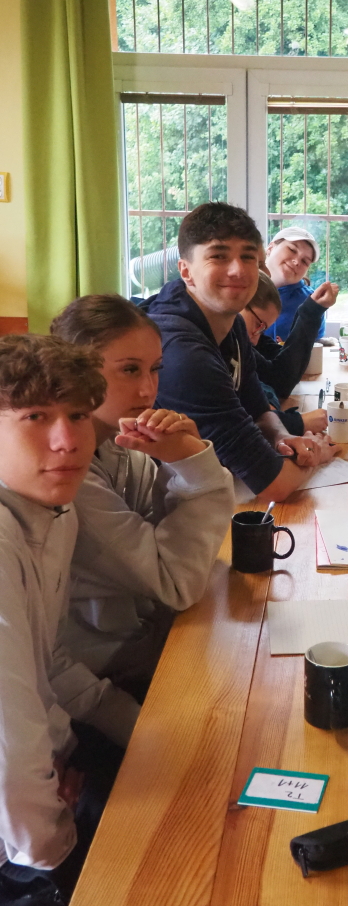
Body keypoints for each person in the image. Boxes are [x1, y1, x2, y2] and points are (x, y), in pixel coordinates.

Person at [0, 334, 141, 904]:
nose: (66, 440)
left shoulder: (55, 510)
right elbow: (8, 744)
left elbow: (49, 662)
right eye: (35, 417)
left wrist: (143, 731)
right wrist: (58, 852)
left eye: (78, 415)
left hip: (43, 776)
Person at [50, 295, 235, 692]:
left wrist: (180, 460)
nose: (148, 389)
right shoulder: (67, 478)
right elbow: (176, 583)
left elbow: (168, 542)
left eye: (155, 369)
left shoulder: (121, 445)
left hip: (146, 638)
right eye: (130, 370)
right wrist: (194, 466)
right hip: (104, 674)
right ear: (74, 373)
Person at [141, 202, 341, 503]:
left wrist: (283, 437)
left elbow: (258, 410)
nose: (237, 270)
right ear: (186, 271)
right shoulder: (183, 353)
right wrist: (318, 455)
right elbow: (273, 485)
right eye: (218, 256)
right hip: (150, 501)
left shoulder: (231, 322)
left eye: (247, 257)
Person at [241, 273, 328, 436]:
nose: (255, 340)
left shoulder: (243, 339)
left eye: (262, 329)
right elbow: (279, 382)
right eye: (258, 325)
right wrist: (295, 423)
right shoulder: (210, 347)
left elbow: (279, 374)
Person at [263, 226, 337, 345]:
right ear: (270, 248)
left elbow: (314, 346)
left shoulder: (311, 301)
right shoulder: (243, 286)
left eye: (304, 261)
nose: (297, 261)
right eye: (292, 250)